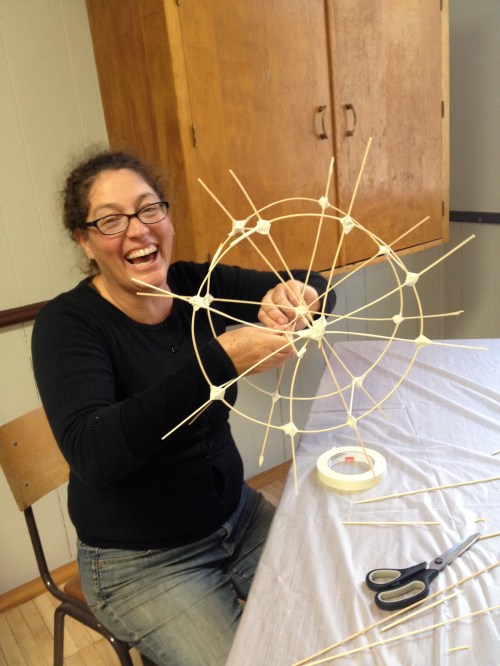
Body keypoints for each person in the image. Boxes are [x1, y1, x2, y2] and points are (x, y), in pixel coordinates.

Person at [32, 150, 335, 665]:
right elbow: (94, 453)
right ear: (83, 240)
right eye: (111, 220)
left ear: (167, 218)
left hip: (239, 518)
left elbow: (319, 290)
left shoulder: (197, 285)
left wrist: (300, 295)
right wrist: (220, 359)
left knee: (339, 615)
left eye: (149, 208)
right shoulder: (68, 326)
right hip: (141, 562)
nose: (138, 229)